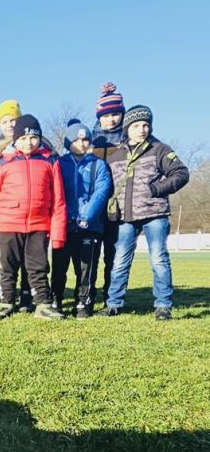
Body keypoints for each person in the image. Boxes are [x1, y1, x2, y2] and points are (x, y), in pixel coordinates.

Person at [102, 105, 190, 320]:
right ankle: (114, 303)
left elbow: (181, 173)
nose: (141, 129)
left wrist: (156, 190)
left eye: (145, 125)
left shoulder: (160, 149)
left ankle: (162, 305)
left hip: (155, 215)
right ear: (127, 128)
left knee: (158, 259)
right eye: (136, 125)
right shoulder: (114, 155)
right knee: (120, 260)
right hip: (125, 217)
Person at [0, 114, 66, 320]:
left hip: (39, 224)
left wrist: (58, 234)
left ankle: (43, 304)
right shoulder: (3, 162)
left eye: (33, 138)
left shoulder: (50, 161)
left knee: (38, 266)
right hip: (8, 224)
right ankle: (6, 303)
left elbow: (58, 199)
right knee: (8, 266)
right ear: (15, 140)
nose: (28, 143)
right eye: (23, 138)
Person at [52, 122, 112, 319]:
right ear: (68, 141)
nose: (81, 143)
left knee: (86, 268)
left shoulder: (98, 164)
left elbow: (101, 192)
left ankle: (83, 302)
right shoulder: (58, 164)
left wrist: (87, 215)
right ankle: (56, 299)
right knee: (59, 266)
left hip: (90, 226)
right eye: (76, 139)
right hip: (64, 225)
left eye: (85, 139)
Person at [90, 82, 126, 305]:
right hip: (95, 208)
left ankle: (111, 295)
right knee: (91, 255)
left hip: (119, 207)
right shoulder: (90, 141)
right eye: (106, 115)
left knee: (114, 255)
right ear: (99, 117)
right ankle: (88, 294)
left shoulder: (128, 140)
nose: (111, 119)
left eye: (115, 114)